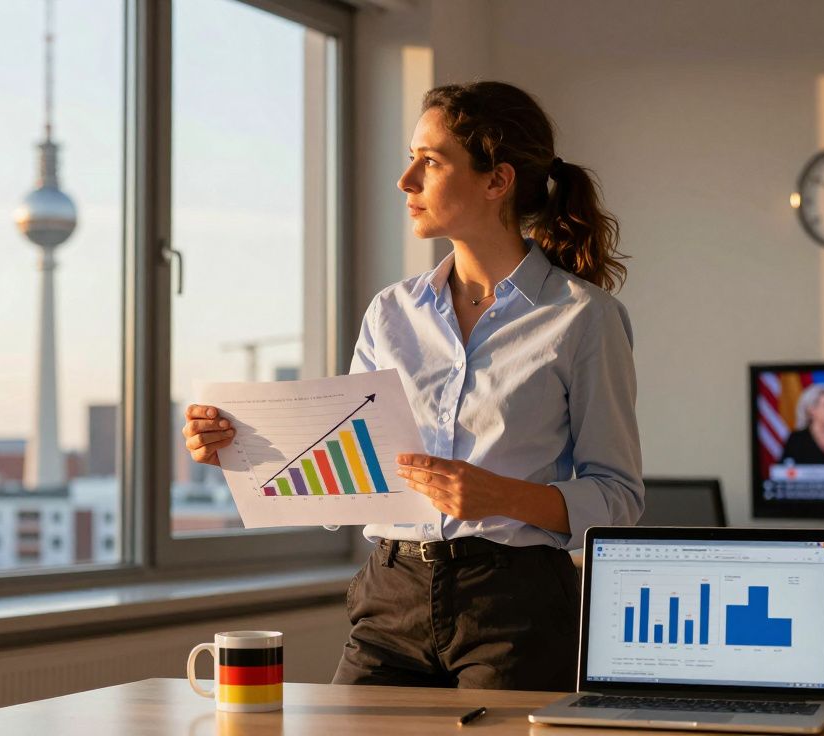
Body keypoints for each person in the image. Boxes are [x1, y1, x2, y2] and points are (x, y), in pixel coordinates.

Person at [181, 81, 642, 691]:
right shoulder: (390, 313)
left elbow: (617, 498)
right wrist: (240, 449)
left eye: (430, 161)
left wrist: (500, 496)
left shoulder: (584, 318)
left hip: (518, 608)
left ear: (497, 181)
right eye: (410, 158)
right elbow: (352, 468)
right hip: (389, 597)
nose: (405, 181)